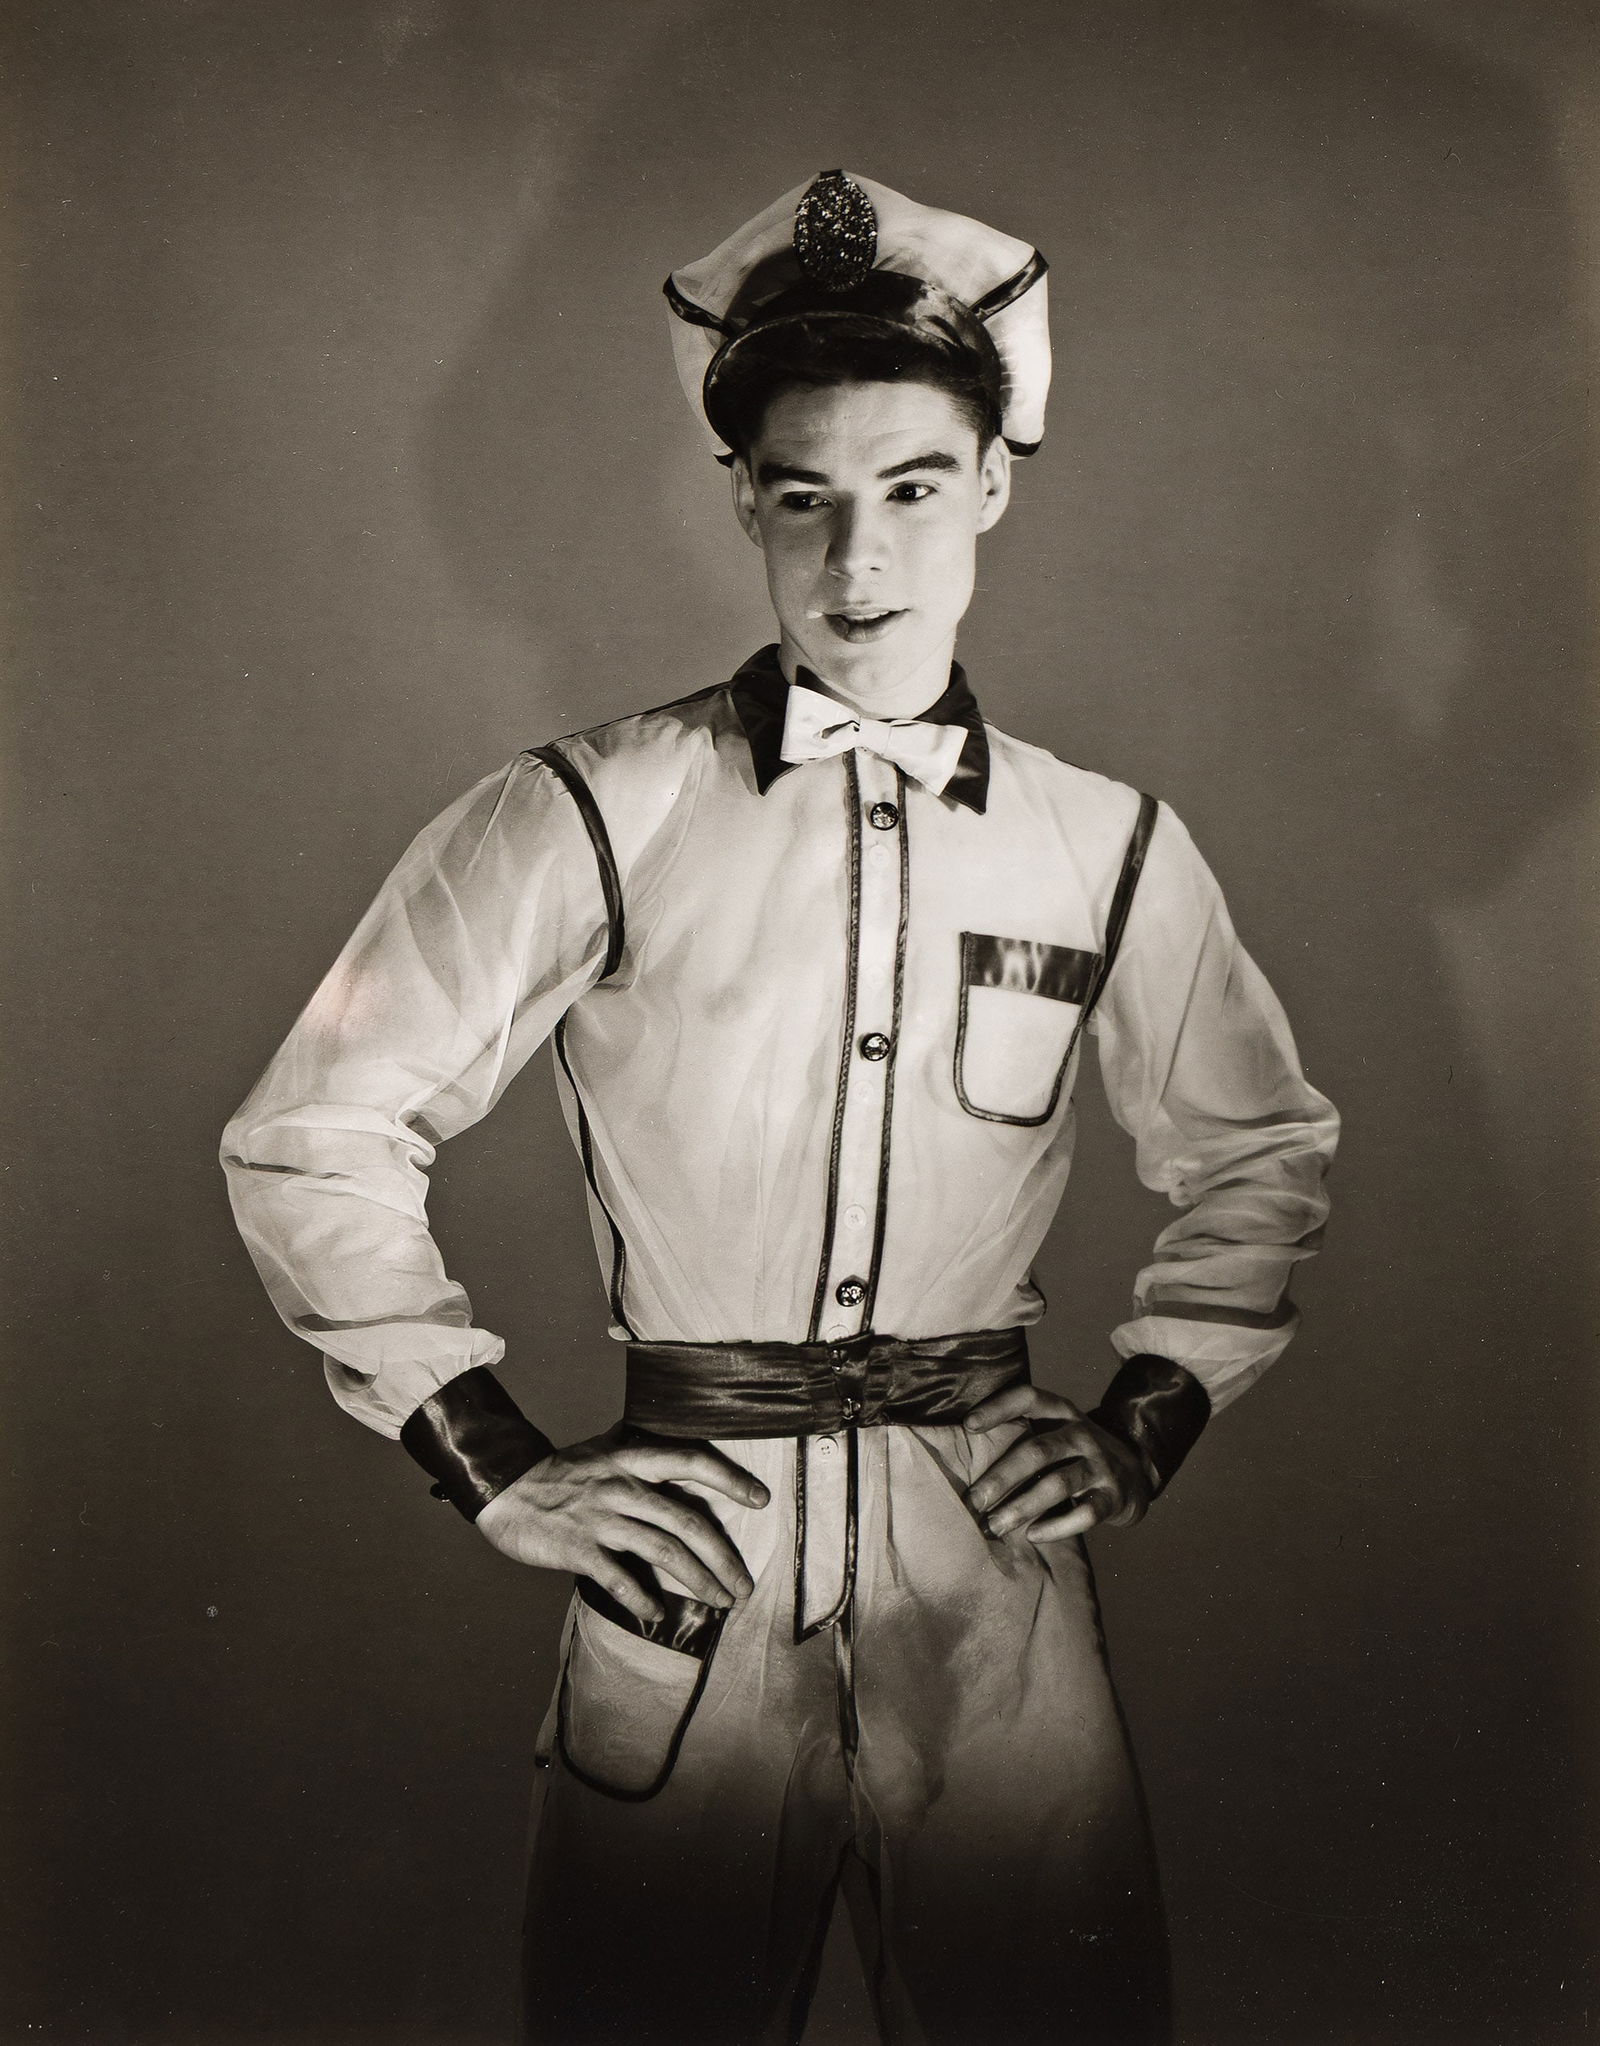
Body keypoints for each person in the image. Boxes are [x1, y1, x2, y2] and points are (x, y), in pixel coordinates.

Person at [221, 170, 1339, 2046]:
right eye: (804, 493)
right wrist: (492, 1455)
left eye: (913, 485)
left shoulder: (1108, 843)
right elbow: (314, 1128)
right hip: (690, 1580)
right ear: (741, 495)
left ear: (994, 482)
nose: (858, 555)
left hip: (991, 1585)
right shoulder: (590, 809)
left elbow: (1260, 1151)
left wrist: (1146, 1418)